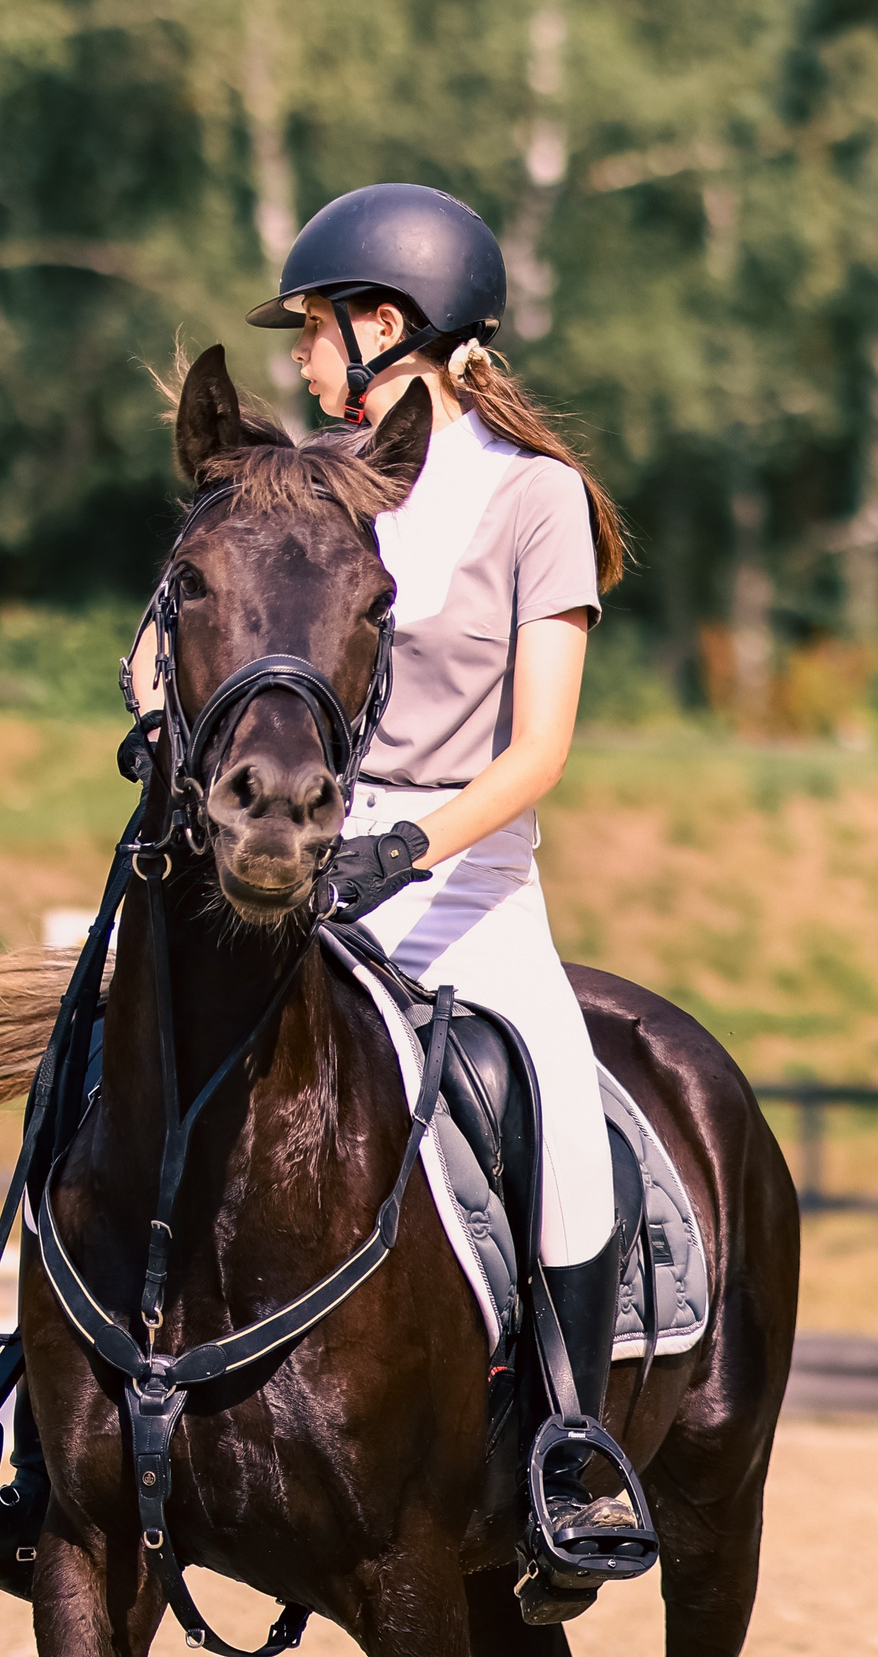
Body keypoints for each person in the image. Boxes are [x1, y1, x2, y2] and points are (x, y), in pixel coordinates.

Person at [251, 188, 643, 1566]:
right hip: (297, 869)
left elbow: (539, 749)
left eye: (311, 333)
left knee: (560, 1121)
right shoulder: (308, 480)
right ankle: (28, 1402)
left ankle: (569, 1448)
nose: (300, 364)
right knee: (125, 1043)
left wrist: (406, 847)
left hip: (464, 892)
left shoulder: (537, 501)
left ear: (387, 323)